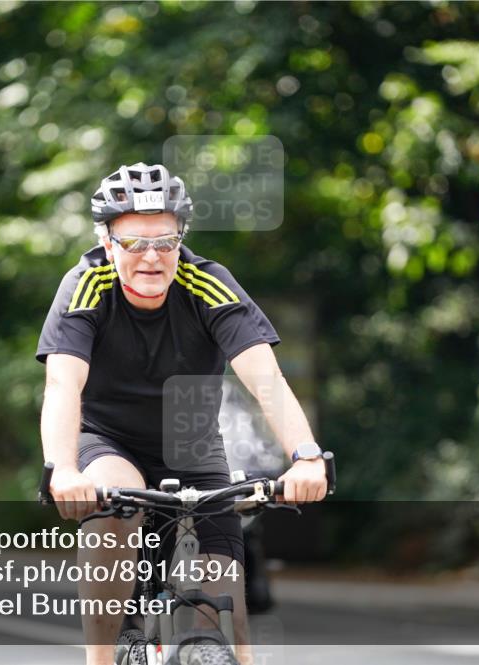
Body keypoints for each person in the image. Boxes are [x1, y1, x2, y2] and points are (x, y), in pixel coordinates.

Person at [37, 162, 328, 665]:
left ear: (181, 240)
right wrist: (63, 469)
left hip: (191, 444)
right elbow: (63, 383)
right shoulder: (85, 286)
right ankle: (101, 658)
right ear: (108, 243)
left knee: (229, 612)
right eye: (134, 243)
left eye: (165, 242)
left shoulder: (208, 284)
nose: (151, 256)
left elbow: (266, 380)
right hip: (107, 440)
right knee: (113, 516)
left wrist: (304, 457)